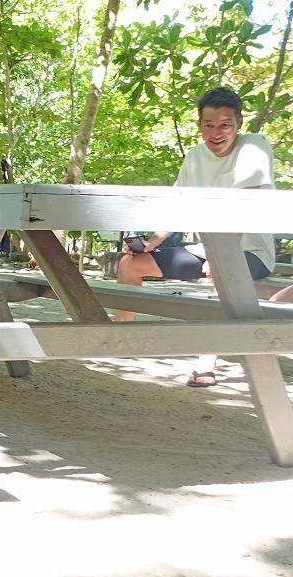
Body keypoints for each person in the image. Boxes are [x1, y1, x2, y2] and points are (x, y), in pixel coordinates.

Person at [116, 87, 276, 386]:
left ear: (239, 123)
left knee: (223, 275)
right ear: (200, 126)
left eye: (225, 125)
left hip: (250, 251)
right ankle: (122, 343)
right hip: (207, 249)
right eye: (209, 125)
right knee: (130, 264)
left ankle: (206, 365)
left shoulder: (255, 145)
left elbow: (248, 204)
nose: (216, 133)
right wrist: (152, 243)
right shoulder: (194, 156)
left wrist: (222, 255)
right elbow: (177, 208)